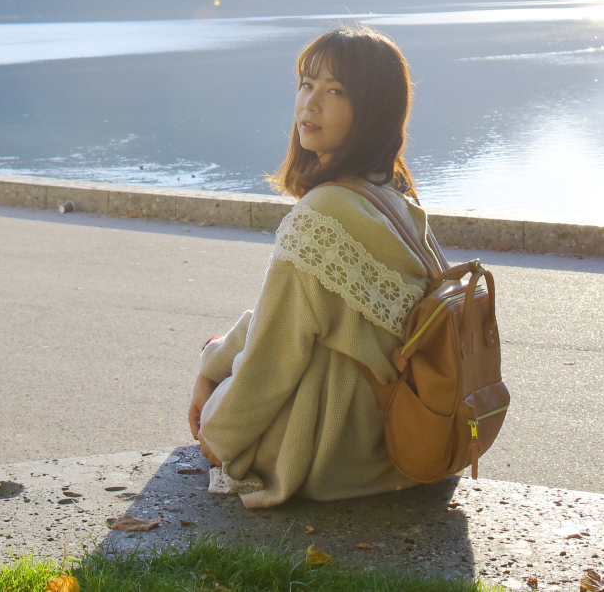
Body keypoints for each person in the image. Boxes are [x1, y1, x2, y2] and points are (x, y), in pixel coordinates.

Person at [187, 26, 439, 509]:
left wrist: (218, 437)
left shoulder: (321, 214)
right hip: (391, 438)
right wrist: (215, 364)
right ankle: (215, 353)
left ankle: (215, 359)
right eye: (306, 84)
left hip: (328, 452)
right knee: (223, 360)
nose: (311, 104)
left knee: (222, 405)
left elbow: (272, 360)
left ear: (373, 109)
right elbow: (281, 312)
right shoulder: (391, 196)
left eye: (336, 90)